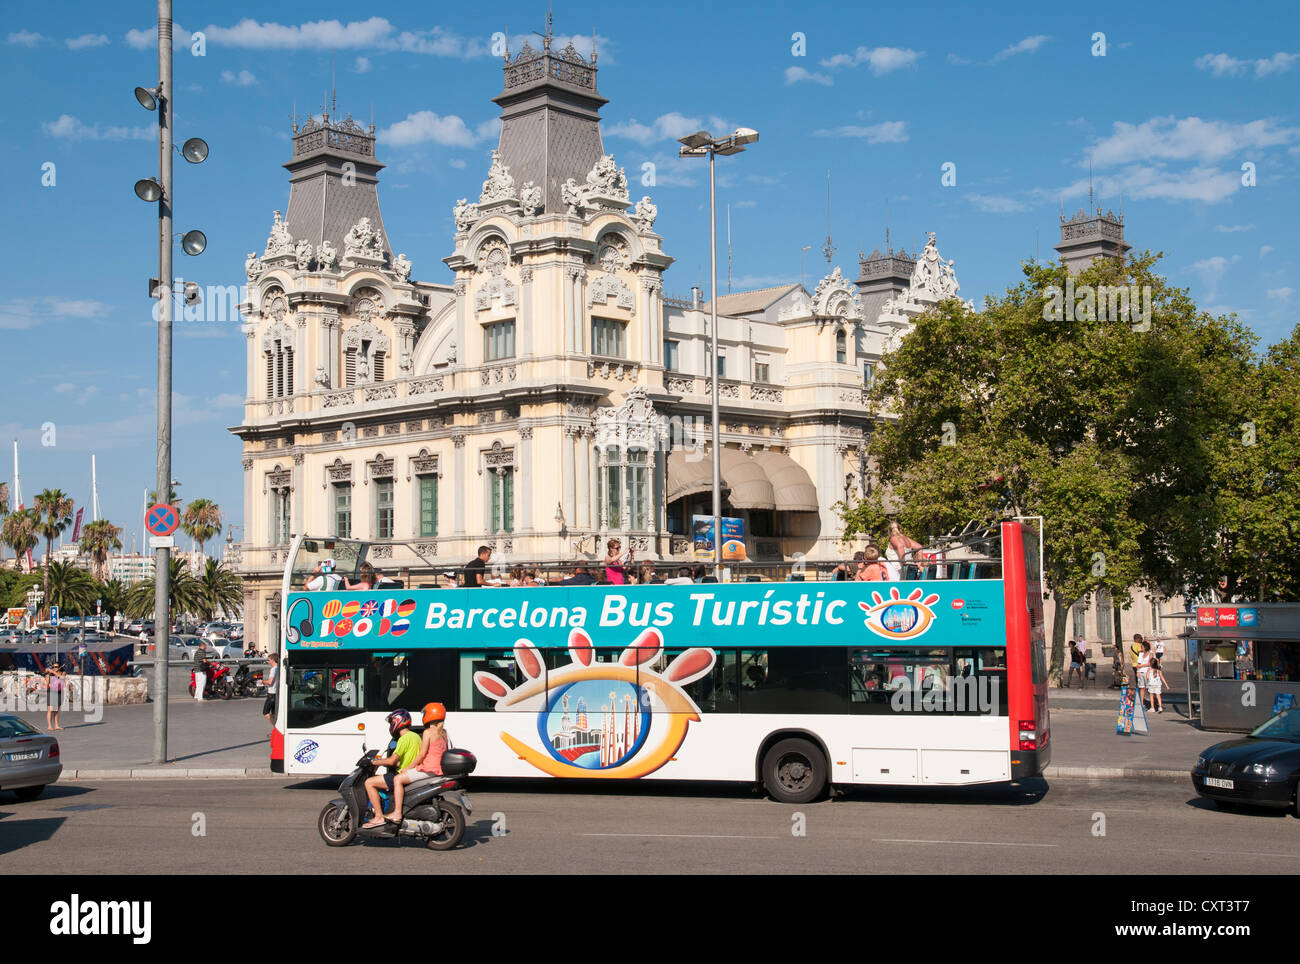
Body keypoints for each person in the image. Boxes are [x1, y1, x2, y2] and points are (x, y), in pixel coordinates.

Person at [384, 702, 449, 821]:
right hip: (439, 770)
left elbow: (421, 755)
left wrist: (408, 768)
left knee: (397, 779)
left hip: (428, 769)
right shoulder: (444, 733)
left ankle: (397, 813)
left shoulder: (428, 732)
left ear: (429, 715)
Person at [362, 709, 422, 829]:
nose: (390, 726)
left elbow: (392, 760)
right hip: (412, 773)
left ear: (397, 721)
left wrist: (375, 762)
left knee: (369, 782)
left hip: (401, 774)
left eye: (391, 723)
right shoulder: (416, 736)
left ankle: (378, 816)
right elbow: (405, 759)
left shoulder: (403, 738)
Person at [44, 659, 65, 730]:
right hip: (51, 692)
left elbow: (61, 677)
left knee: (56, 710)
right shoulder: (51, 674)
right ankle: (49, 726)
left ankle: (56, 725)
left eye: (56, 667)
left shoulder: (63, 673)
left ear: (59, 667)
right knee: (50, 710)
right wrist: (48, 674)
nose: (54, 668)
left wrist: (52, 671)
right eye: (53, 667)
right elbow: (47, 683)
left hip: (59, 692)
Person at [262, 652, 279, 726]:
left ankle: (277, 727)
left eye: (269, 660)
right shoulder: (279, 668)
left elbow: (270, 682)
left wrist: (262, 682)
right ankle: (278, 726)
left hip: (271, 694)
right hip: (276, 693)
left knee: (265, 712)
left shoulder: (273, 669)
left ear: (273, 660)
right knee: (274, 713)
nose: (268, 662)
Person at [1136, 639, 1152, 711]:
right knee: (1141, 688)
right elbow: (1138, 664)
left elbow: (1150, 663)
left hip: (1147, 672)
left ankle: (1152, 705)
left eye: (1142, 647)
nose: (1141, 648)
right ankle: (1141, 703)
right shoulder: (1140, 654)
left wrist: (1141, 666)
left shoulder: (1150, 654)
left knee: (1149, 689)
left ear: (1145, 647)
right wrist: (1138, 671)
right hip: (1141, 672)